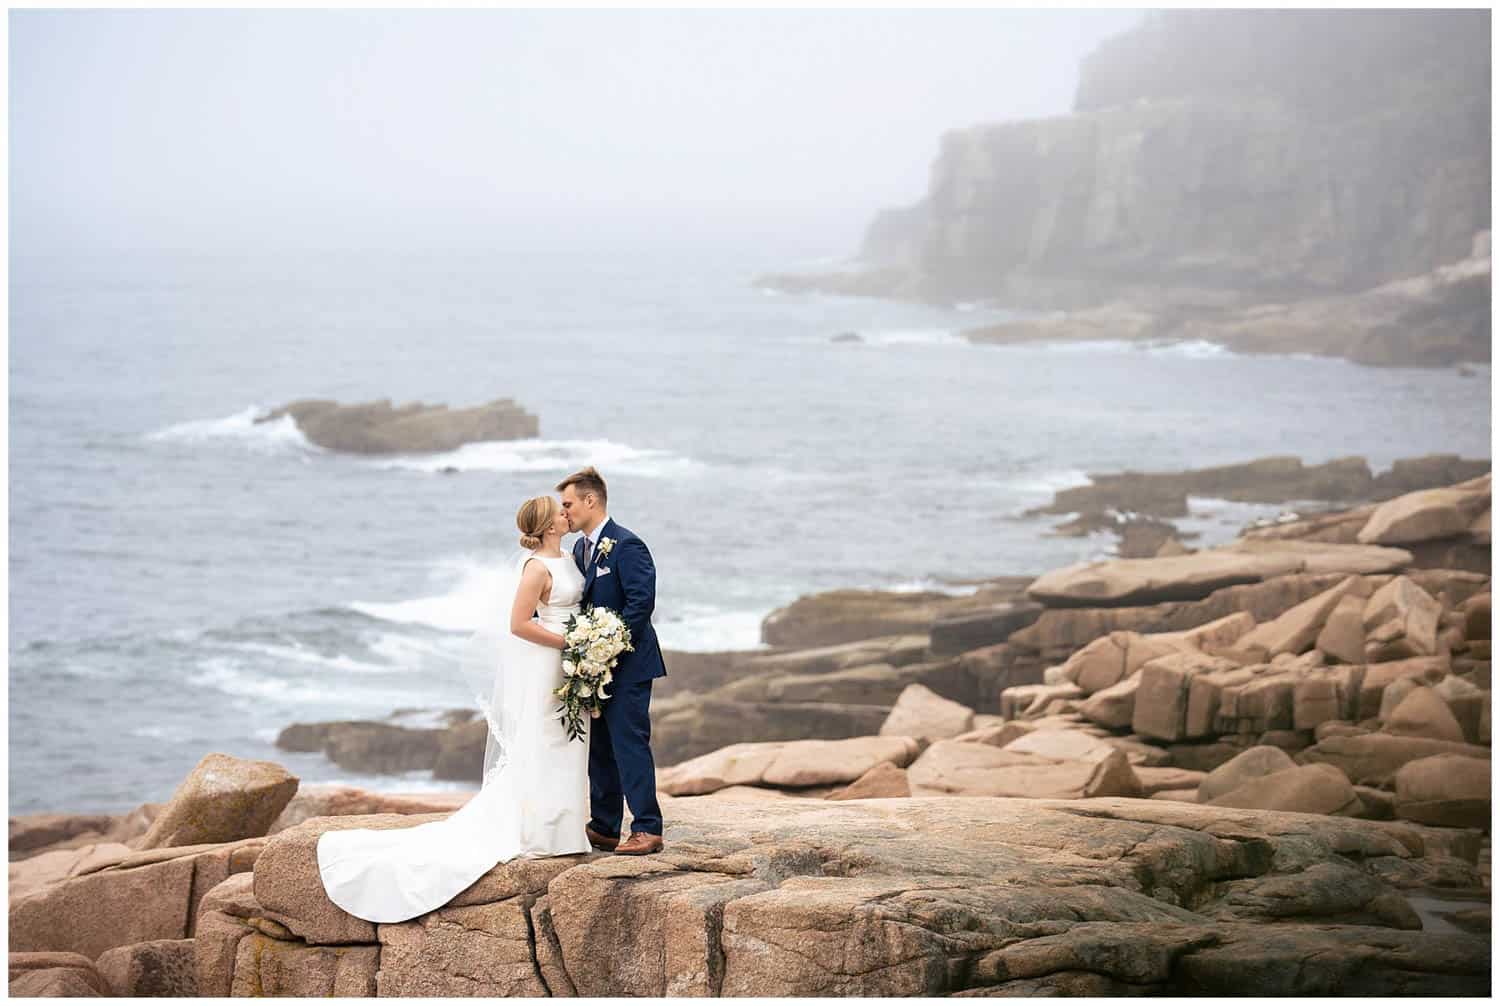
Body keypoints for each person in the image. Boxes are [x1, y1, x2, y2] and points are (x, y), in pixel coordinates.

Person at [315, 495, 591, 923]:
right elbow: (518, 624)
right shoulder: (536, 568)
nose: (566, 513)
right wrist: (571, 642)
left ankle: (566, 827)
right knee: (546, 738)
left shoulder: (571, 555)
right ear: (549, 526)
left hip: (571, 660)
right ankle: (542, 832)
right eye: (560, 511)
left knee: (568, 740)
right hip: (550, 660)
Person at [556, 466, 667, 856]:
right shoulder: (581, 549)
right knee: (599, 747)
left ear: (591, 501)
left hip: (630, 665)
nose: (564, 511)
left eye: (568, 504)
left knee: (629, 744)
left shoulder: (627, 545)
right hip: (593, 669)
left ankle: (647, 828)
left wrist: (608, 649)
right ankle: (604, 825)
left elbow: (641, 603)